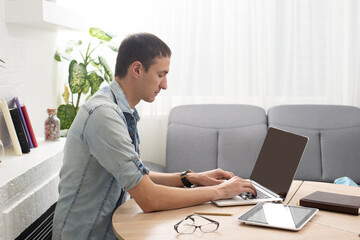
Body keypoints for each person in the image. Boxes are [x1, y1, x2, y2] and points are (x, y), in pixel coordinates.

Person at [52, 33, 256, 240]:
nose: (165, 85)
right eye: (161, 74)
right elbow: (149, 198)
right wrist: (221, 191)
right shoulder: (103, 115)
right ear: (137, 69)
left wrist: (192, 178)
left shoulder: (118, 109)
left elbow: (138, 176)